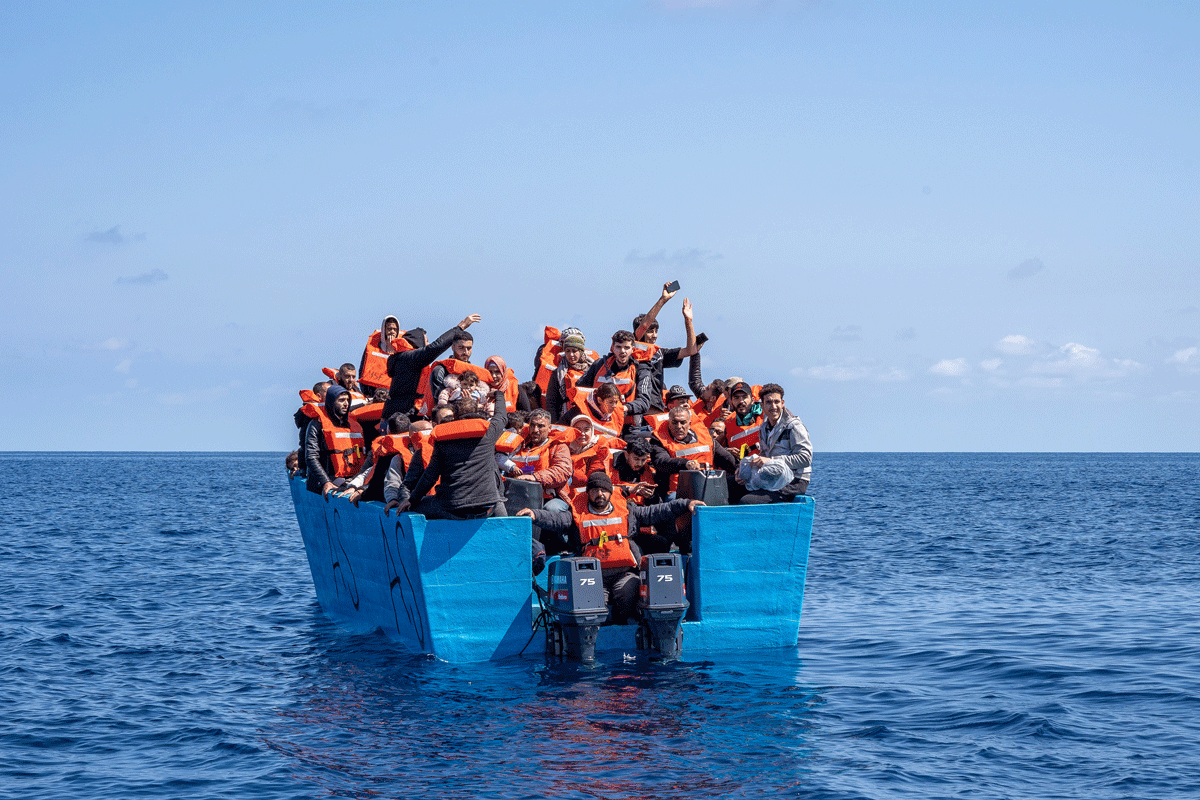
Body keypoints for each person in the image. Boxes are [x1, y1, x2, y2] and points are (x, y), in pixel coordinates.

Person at [517, 471, 704, 624]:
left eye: (604, 490)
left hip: (624, 573)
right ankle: (607, 622)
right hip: (591, 575)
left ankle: (624, 620)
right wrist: (535, 514)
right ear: (588, 493)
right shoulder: (576, 514)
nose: (599, 494)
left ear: (610, 492)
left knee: (629, 590)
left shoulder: (628, 510)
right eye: (595, 490)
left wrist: (686, 504)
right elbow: (556, 519)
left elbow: (657, 511)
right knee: (592, 608)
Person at [395, 390, 510, 520]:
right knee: (497, 500)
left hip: (452, 508)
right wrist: (498, 395)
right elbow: (501, 416)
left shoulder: (443, 438)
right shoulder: (489, 431)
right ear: (477, 414)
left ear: (454, 416)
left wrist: (412, 500)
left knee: (416, 506)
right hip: (485, 507)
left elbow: (430, 476)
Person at [381, 313, 482, 420]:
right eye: (426, 341)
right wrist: (460, 327)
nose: (428, 344)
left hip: (393, 412)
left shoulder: (401, 359)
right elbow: (435, 347)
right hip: (402, 414)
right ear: (417, 342)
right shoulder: (409, 358)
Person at [738, 383, 812, 504]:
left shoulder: (794, 427)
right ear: (762, 405)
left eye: (776, 402)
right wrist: (745, 471)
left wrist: (771, 460)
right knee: (732, 487)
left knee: (747, 501)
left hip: (795, 481)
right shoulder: (764, 428)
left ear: (782, 403)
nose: (773, 406)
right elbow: (763, 456)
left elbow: (805, 458)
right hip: (774, 477)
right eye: (768, 402)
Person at [632, 294, 701, 418]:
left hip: (655, 409)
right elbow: (643, 325)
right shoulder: (632, 348)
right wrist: (662, 300)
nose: (654, 335)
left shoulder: (660, 352)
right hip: (635, 409)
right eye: (650, 331)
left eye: (656, 331)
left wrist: (688, 321)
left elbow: (690, 350)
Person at [303, 384, 369, 496]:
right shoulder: (316, 424)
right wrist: (326, 481)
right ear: (331, 401)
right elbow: (311, 456)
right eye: (341, 400)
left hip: (351, 476)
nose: (346, 404)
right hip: (327, 477)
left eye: (348, 400)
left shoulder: (353, 423)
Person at [504, 409, 573, 512]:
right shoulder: (517, 445)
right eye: (532, 425)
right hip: (518, 494)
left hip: (551, 496)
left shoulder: (559, 447)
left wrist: (535, 477)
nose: (535, 430)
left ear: (549, 428)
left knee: (551, 509)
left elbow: (563, 471)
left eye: (541, 426)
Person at [577, 330, 639, 413]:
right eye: (618, 347)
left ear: (632, 349)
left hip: (626, 420)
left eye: (626, 347)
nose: (622, 351)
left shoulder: (639, 369)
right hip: (597, 419)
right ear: (612, 348)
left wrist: (622, 409)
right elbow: (581, 389)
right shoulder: (598, 365)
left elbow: (643, 401)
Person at [542, 331, 594, 421]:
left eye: (574, 351)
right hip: (565, 417)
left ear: (581, 351)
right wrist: (554, 422)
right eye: (568, 351)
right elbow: (551, 401)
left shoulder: (593, 370)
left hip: (589, 415)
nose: (571, 355)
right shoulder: (557, 373)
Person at [359, 315, 408, 393]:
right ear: (384, 330)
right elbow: (363, 369)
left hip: (394, 391)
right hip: (375, 391)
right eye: (389, 329)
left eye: (394, 329)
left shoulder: (403, 349)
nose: (392, 332)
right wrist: (366, 391)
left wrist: (393, 348)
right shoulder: (372, 346)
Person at [725, 381, 763, 456]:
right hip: (741, 465)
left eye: (745, 397)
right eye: (736, 398)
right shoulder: (728, 423)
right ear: (731, 402)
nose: (741, 401)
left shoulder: (766, 415)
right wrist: (727, 451)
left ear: (752, 400)